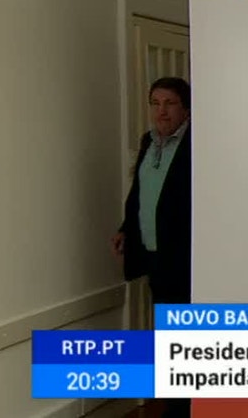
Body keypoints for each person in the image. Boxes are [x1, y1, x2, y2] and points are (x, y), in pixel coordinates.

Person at [111, 76, 192, 417]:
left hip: (185, 258)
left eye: (170, 103)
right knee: (168, 331)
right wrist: (126, 227)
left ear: (186, 109)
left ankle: (185, 407)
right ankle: (175, 404)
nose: (162, 111)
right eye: (155, 103)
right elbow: (141, 192)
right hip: (154, 254)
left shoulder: (196, 145)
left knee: (185, 334)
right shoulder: (149, 141)